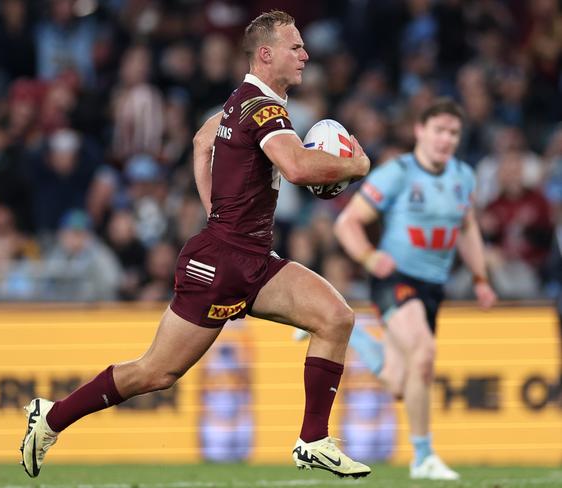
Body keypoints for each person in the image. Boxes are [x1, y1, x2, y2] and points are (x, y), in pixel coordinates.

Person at [20, 10, 371, 479]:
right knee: (155, 374)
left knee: (336, 317)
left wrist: (216, 212)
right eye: (296, 47)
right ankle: (52, 417)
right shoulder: (263, 108)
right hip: (221, 264)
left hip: (250, 258)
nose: (305, 54)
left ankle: (314, 439)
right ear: (266, 55)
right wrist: (355, 167)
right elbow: (299, 168)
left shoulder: (239, 100)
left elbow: (201, 141)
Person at [333, 98, 497, 480]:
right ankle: (423, 457)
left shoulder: (463, 177)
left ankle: (348, 331)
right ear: (420, 131)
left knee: (400, 381)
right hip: (396, 279)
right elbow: (347, 223)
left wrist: (481, 278)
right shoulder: (398, 173)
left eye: (453, 133)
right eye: (439, 130)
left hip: (432, 288)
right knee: (424, 352)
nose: (446, 139)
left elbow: (468, 228)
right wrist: (371, 259)